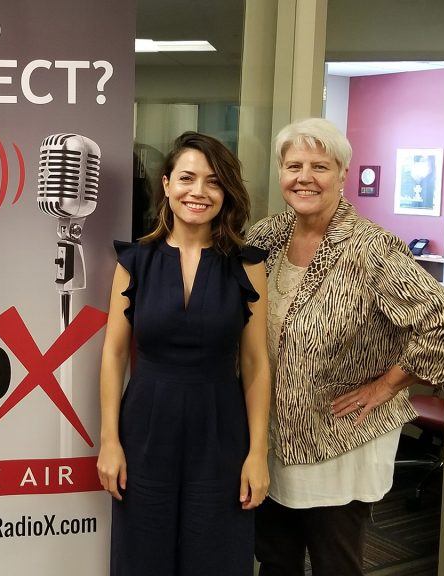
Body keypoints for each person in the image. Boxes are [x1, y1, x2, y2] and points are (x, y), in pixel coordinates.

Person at [246, 117, 444, 576]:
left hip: (338, 437)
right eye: (294, 166)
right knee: (275, 559)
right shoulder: (264, 237)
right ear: (280, 172)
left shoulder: (371, 249)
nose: (305, 177)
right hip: (270, 433)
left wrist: (387, 385)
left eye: (320, 166)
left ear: (343, 175)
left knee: (335, 562)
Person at [97, 132, 271, 575]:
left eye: (213, 182)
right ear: (167, 184)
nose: (199, 192)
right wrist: (110, 441)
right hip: (146, 429)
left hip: (220, 431)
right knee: (143, 557)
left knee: (216, 557)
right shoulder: (135, 261)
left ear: (226, 192)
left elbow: (255, 363)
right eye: (188, 178)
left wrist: (258, 452)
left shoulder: (248, 266)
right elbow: (114, 355)